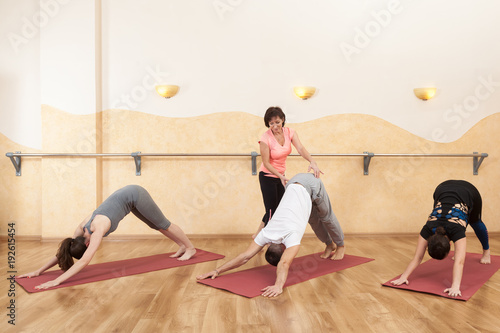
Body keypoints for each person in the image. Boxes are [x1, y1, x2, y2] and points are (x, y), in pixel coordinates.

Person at [18, 185, 196, 290]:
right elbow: (63, 251)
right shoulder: (80, 231)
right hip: (128, 199)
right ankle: (180, 245)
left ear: (87, 244)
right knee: (154, 225)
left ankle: (189, 248)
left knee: (163, 223)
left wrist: (56, 281)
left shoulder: (97, 230)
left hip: (135, 193)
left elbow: (84, 261)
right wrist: (38, 271)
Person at [197, 173, 345, 297]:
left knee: (326, 218)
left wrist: (278, 286)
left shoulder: (291, 237)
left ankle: (340, 245)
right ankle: (328, 245)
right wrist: (217, 271)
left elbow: (284, 263)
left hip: (311, 183)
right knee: (313, 220)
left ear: (283, 248)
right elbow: (244, 256)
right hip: (293, 183)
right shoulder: (266, 233)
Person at [391, 180, 491, 297]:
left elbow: (460, 262)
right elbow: (417, 257)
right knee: (444, 212)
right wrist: (403, 277)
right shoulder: (427, 229)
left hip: (469, 191)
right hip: (442, 188)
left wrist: (455, 286)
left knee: (476, 222)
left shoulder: (457, 231)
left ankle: (486, 252)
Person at [254, 106, 323, 238]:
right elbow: (266, 163)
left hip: (281, 177)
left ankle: (257, 235)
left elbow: (301, 148)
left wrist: (312, 161)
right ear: (268, 123)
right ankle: (263, 241)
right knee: (271, 211)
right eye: (271, 123)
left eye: (277, 122)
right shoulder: (265, 138)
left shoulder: (290, 132)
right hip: (268, 176)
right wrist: (280, 175)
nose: (275, 126)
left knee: (277, 209)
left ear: (283, 120)